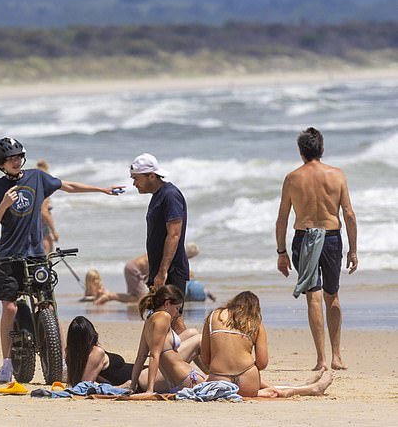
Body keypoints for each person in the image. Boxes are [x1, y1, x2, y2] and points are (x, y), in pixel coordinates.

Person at [0, 137, 123, 383]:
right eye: (10, 159)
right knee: (9, 307)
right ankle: (6, 363)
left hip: (36, 254)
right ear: (1, 164)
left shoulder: (36, 177)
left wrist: (101, 189)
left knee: (48, 304)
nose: (15, 162)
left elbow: (67, 186)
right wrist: (4, 204)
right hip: (9, 255)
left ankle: (62, 359)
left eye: (18, 157)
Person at [276, 127, 357, 371]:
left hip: (304, 238)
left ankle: (321, 359)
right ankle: (337, 357)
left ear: (301, 152)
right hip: (332, 238)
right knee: (332, 295)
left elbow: (282, 219)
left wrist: (281, 253)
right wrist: (353, 251)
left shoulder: (292, 178)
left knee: (313, 296)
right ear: (322, 149)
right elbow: (349, 214)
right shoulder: (337, 175)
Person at [201, 291, 335, 397]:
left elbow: (205, 358)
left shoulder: (213, 317)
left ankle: (306, 386)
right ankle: (309, 388)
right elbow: (262, 363)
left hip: (219, 381)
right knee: (253, 374)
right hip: (248, 383)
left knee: (257, 383)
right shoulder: (255, 324)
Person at [128, 152, 191, 333]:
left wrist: (162, 272)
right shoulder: (157, 196)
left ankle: (206, 361)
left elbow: (174, 235)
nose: (134, 183)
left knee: (175, 321)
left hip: (171, 271)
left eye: (136, 179)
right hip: (160, 271)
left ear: (152, 176)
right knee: (163, 322)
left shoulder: (170, 195)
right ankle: (170, 360)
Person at [130, 285, 206, 394]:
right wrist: (150, 390)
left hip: (174, 386)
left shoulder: (149, 320)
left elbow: (141, 357)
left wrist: (133, 386)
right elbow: (154, 356)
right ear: (167, 304)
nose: (177, 313)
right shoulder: (165, 317)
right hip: (188, 378)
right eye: (177, 308)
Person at [93, 243, 215, 305]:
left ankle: (108, 295)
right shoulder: (172, 254)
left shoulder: (169, 250)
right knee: (139, 299)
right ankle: (109, 296)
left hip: (132, 268)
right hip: (134, 270)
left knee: (134, 296)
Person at [65, 316, 137, 387]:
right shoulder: (95, 352)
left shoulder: (72, 354)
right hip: (134, 379)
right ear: (90, 335)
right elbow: (85, 386)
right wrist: (122, 387)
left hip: (137, 375)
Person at [36, 159, 58, 254]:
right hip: (43, 226)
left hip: (34, 225)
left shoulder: (34, 189)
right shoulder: (44, 190)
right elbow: (44, 211)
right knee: (47, 254)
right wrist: (53, 231)